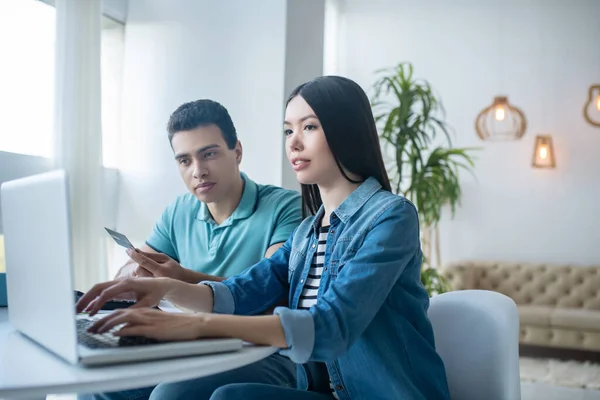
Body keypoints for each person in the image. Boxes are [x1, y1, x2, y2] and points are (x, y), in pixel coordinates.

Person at [77, 76, 450, 400]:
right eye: (288, 130)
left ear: (346, 130)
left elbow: (333, 326)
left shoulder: (391, 217)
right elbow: (240, 293)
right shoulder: (307, 233)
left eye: (310, 127)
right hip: (321, 391)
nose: (294, 143)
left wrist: (194, 325)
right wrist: (165, 289)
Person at [80, 100, 301, 400]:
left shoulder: (285, 207)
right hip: (191, 340)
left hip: (263, 349)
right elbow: (138, 270)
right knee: (99, 381)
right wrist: (136, 272)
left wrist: (180, 278)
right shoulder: (180, 210)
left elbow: (268, 292)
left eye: (208, 154)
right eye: (184, 160)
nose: (198, 171)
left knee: (169, 395)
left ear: (237, 151)